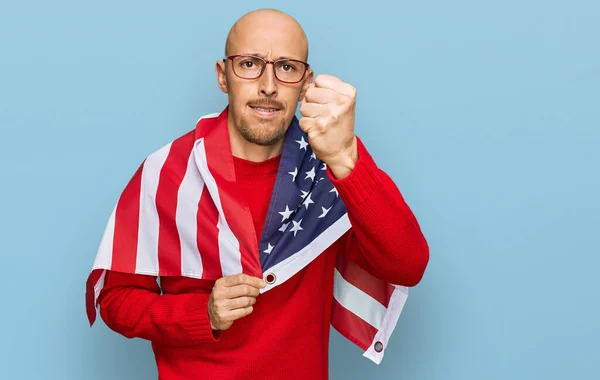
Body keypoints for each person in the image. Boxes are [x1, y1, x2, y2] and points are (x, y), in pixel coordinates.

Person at [93, 8, 429, 380]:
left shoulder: (328, 170)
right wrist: (202, 314)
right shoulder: (166, 172)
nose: (268, 86)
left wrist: (345, 158)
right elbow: (115, 299)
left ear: (306, 82)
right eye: (250, 64)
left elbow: (407, 265)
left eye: (286, 67)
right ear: (223, 76)